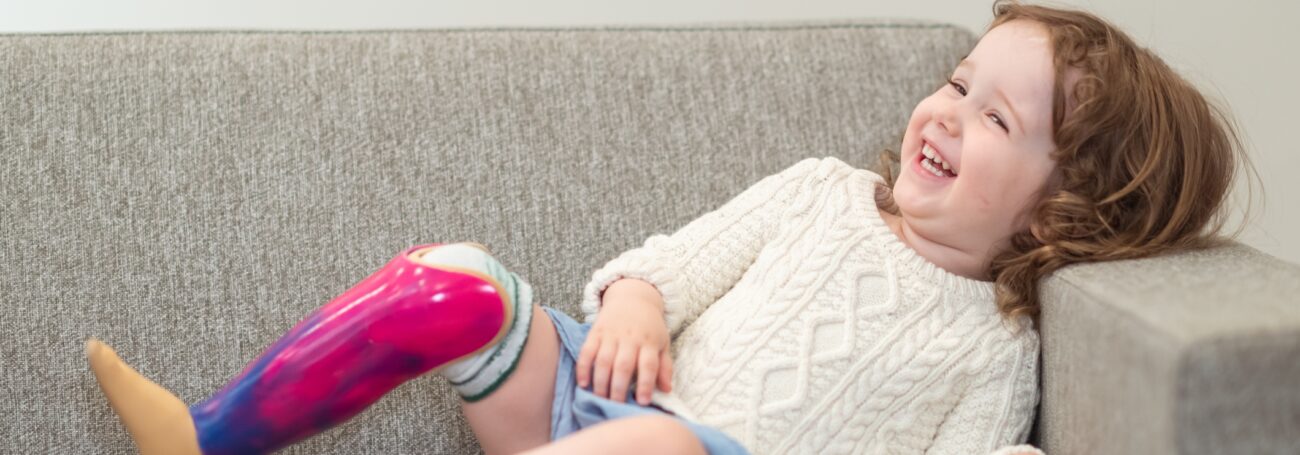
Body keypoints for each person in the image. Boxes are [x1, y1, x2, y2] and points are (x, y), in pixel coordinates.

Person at [84, 1, 1252, 453]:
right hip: (600, 404)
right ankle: (205, 436)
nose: (944, 111)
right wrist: (636, 305)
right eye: (954, 81)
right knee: (464, 277)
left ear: (1060, 203)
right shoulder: (816, 191)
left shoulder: (996, 346)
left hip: (692, 452)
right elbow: (656, 268)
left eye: (994, 114)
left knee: (675, 448)